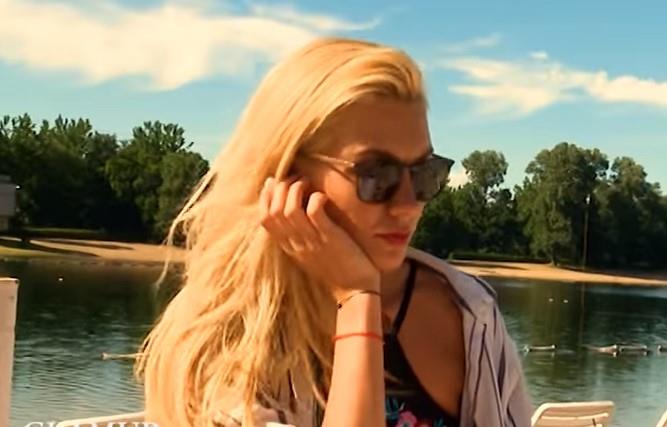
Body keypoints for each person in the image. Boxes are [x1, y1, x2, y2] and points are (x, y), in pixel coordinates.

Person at [135, 37, 533, 427]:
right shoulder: (229, 337)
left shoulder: (468, 312)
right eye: (375, 174)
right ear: (288, 175)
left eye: (425, 173)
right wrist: (358, 298)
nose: (409, 204)